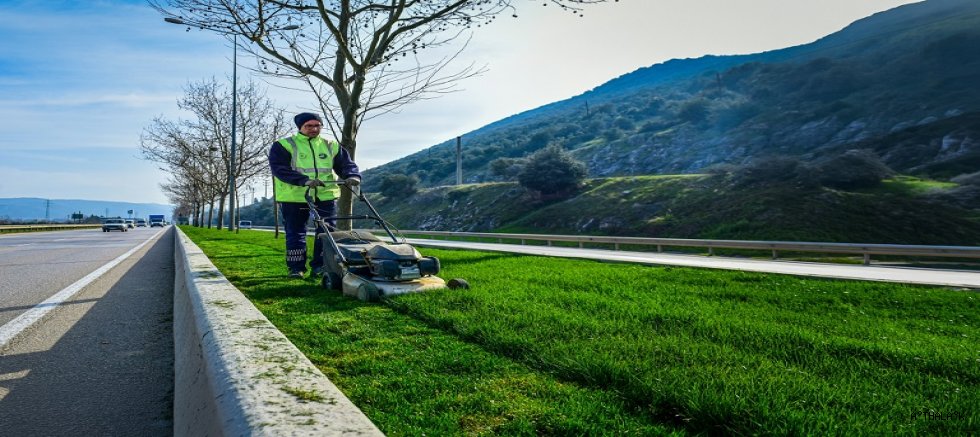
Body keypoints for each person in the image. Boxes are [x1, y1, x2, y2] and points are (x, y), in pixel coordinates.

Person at [269, 112, 361, 278]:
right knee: (296, 233)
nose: (314, 129)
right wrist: (303, 180)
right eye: (309, 126)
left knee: (326, 232)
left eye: (317, 125)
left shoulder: (330, 145)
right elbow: (280, 169)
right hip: (295, 197)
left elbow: (346, 164)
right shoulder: (284, 145)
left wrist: (352, 176)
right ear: (300, 128)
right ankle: (296, 268)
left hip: (325, 196)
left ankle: (321, 266)